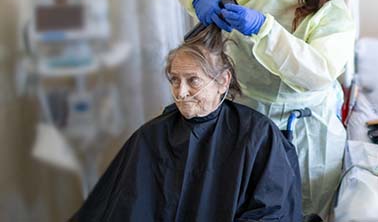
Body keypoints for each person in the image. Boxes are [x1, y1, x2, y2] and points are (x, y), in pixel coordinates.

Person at [176, 0, 355, 220]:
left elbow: (316, 72)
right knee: (244, 203)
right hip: (246, 115)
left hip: (303, 134)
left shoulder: (334, 16)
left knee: (301, 209)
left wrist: (264, 29)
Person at [69, 25, 302, 222]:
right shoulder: (151, 136)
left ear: (222, 81)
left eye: (193, 80)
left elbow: (270, 212)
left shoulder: (258, 135)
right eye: (174, 80)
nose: (181, 92)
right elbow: (122, 207)